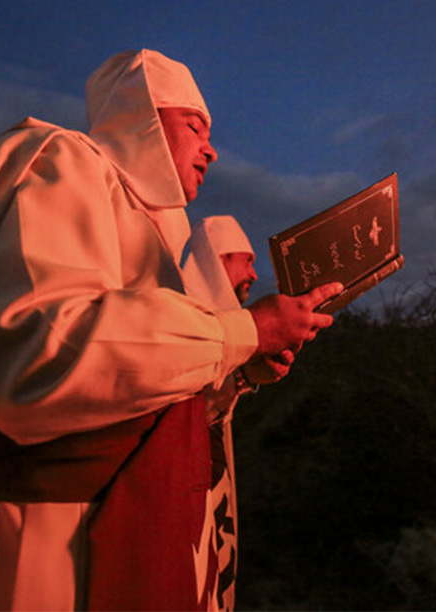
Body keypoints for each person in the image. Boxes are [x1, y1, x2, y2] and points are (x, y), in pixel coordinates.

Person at [0, 49, 341, 611]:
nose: (212, 148)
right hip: (34, 540)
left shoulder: (146, 226)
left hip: (111, 533)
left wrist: (237, 369)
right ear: (143, 116)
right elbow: (42, 351)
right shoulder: (62, 162)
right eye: (195, 124)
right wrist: (242, 333)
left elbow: (140, 387)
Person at [181, 214, 264, 611]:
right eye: (245, 261)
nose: (254, 274)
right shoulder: (184, 315)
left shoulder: (224, 325)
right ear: (218, 259)